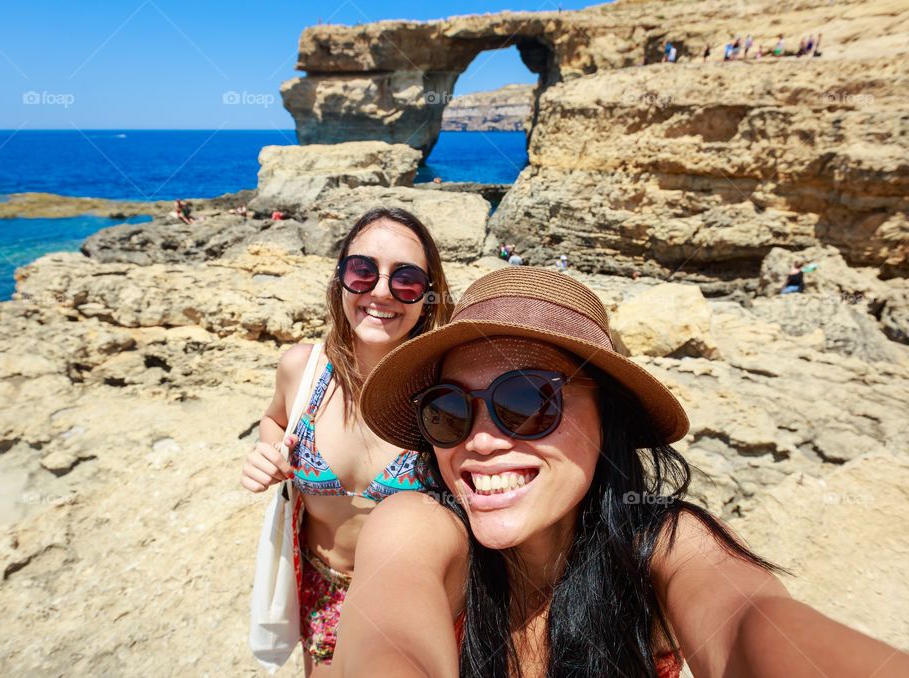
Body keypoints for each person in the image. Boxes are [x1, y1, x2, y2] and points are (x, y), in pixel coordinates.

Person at [332, 267, 909, 678]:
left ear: (607, 416)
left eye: (527, 401)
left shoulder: (666, 544)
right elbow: (391, 644)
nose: (480, 440)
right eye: (449, 409)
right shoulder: (415, 523)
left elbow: (750, 629)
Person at [240, 206, 453, 672]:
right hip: (319, 586)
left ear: (428, 297)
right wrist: (268, 452)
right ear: (340, 280)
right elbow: (276, 419)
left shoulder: (446, 394)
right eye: (362, 271)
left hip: (408, 603)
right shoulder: (302, 368)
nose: (380, 291)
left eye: (407, 279)